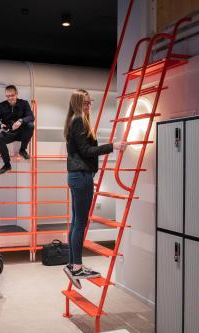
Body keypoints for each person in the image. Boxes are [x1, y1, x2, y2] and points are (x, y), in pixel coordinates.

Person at [63, 89, 127, 289]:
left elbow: (82, 150)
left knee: (76, 223)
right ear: (77, 104)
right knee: (80, 223)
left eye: (90, 103)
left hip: (77, 175)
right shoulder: (79, 120)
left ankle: (73, 265)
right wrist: (113, 146)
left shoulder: (74, 119)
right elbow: (87, 150)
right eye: (85, 103)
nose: (89, 106)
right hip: (81, 177)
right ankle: (77, 267)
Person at [0, 85, 35, 174]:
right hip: (9, 133)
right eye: (7, 96)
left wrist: (21, 121)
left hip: (21, 133)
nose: (10, 98)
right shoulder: (1, 106)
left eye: (12, 95)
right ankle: (7, 165)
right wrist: (1, 126)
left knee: (30, 125)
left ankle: (22, 150)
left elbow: (31, 117)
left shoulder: (24, 103)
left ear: (16, 94)